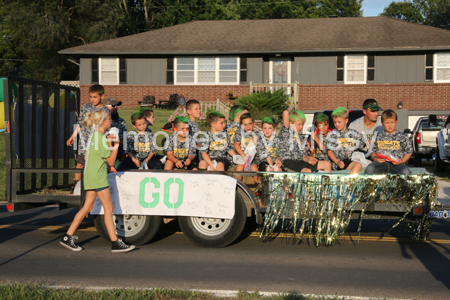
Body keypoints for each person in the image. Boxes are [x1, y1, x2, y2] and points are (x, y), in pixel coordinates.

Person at [60, 109, 135, 253]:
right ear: (103, 121)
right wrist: (116, 144)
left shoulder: (96, 136)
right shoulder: (101, 138)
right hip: (97, 177)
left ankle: (67, 236)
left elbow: (101, 160)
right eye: (108, 119)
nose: (110, 121)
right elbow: (111, 160)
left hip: (90, 175)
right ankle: (115, 242)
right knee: (109, 208)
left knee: (87, 208)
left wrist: (110, 166)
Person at [66, 84, 110, 188]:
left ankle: (98, 186)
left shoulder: (105, 111)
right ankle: (76, 187)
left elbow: (106, 128)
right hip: (84, 142)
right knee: (80, 164)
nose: (92, 99)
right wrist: (73, 136)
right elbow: (80, 124)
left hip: (97, 143)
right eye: (91, 97)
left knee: (97, 165)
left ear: (102, 96)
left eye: (95, 97)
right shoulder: (86, 107)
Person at [365, 110, 413, 175]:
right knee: (369, 169)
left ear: (396, 122)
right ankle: (370, 185)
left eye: (392, 122)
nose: (390, 125)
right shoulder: (378, 136)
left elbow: (408, 151)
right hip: (380, 164)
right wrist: (376, 159)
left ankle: (404, 185)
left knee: (406, 172)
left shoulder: (402, 136)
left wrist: (402, 161)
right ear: (382, 123)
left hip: (397, 164)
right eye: (387, 123)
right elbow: (372, 152)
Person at [325, 107, 364, 174]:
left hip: (352, 160)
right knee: (358, 166)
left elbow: (362, 146)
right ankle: (348, 183)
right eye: (335, 122)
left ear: (346, 120)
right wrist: (338, 162)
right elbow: (330, 152)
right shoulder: (332, 135)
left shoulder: (354, 134)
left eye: (339, 122)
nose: (337, 124)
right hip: (339, 162)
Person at [233, 113, 262, 180]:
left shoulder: (258, 134)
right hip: (243, 157)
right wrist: (243, 155)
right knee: (239, 167)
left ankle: (258, 187)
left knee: (253, 168)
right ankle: (237, 187)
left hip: (254, 158)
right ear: (241, 126)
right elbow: (236, 145)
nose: (248, 126)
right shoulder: (240, 133)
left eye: (250, 124)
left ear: (254, 124)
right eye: (245, 125)